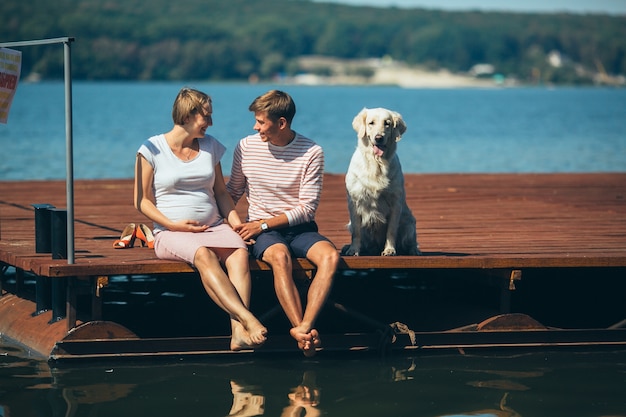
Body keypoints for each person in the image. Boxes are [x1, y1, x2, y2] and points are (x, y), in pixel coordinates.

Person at [134, 87, 267, 351]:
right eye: (206, 116)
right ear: (188, 115)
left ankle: (238, 334)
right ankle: (245, 318)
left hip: (215, 226)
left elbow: (220, 192)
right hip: (170, 233)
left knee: (239, 253)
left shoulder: (210, 146)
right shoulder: (151, 149)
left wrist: (235, 223)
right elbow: (141, 200)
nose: (210, 123)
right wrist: (172, 225)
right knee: (204, 255)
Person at [227, 90, 339, 357]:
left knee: (331, 257)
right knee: (279, 256)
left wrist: (263, 225)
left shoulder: (312, 151)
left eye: (261, 122)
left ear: (282, 123)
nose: (256, 127)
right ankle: (302, 332)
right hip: (262, 230)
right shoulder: (245, 147)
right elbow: (232, 193)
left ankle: (305, 326)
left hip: (296, 228)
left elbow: (306, 209)